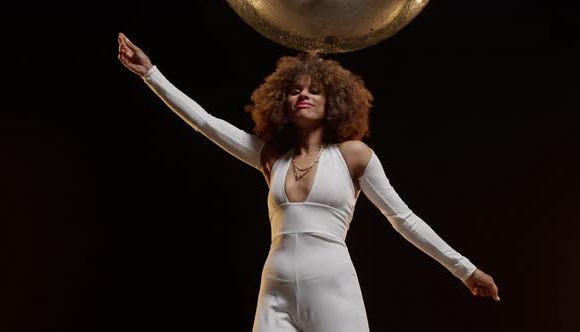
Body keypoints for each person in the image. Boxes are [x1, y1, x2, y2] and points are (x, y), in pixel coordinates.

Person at [117, 32, 500, 332]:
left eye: (314, 90)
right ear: (281, 101)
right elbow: (205, 123)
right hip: (275, 288)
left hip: (332, 287)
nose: (304, 95)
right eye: (295, 90)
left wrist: (464, 269)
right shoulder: (270, 157)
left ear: (333, 103)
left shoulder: (354, 155)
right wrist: (151, 74)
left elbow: (403, 219)